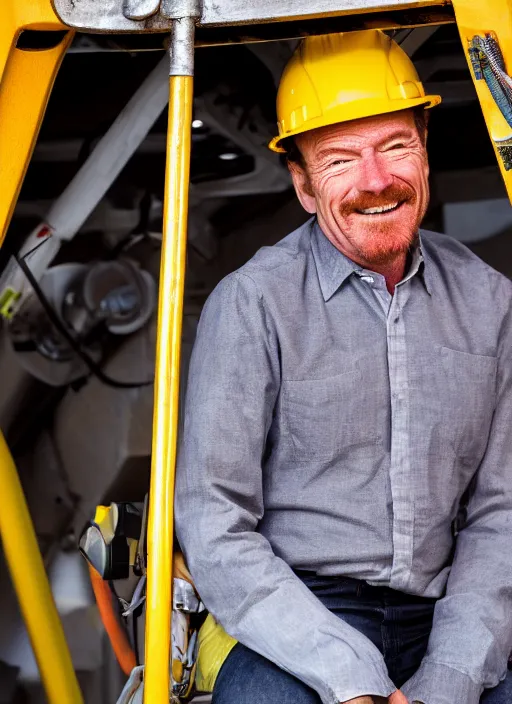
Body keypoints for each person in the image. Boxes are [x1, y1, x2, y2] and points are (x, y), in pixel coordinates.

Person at [175, 30, 512, 704]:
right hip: (297, 610)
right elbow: (214, 523)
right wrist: (348, 680)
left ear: (425, 148)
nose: (376, 180)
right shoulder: (253, 304)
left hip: (448, 608)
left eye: (396, 147)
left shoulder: (489, 300)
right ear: (302, 184)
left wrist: (449, 679)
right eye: (340, 160)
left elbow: (501, 514)